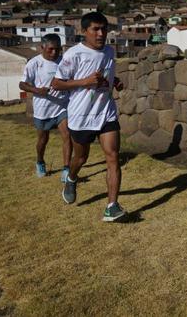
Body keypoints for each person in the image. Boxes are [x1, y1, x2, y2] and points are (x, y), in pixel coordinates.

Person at [51, 12, 126, 222]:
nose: (101, 33)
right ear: (84, 31)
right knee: (80, 158)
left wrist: (115, 81)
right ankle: (72, 178)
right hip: (81, 117)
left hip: (106, 113)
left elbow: (105, 75)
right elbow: (56, 83)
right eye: (95, 29)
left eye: (104, 29)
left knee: (112, 156)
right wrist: (83, 82)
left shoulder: (110, 51)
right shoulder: (73, 54)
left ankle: (112, 206)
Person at [19, 33, 72, 180]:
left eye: (57, 49)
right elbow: (22, 84)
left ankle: (66, 170)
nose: (54, 53)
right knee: (43, 140)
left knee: (67, 135)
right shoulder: (34, 63)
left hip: (62, 106)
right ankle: (40, 161)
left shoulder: (64, 61)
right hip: (43, 109)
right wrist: (37, 90)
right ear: (42, 47)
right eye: (50, 49)